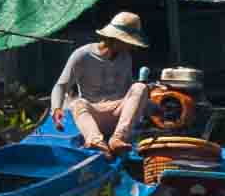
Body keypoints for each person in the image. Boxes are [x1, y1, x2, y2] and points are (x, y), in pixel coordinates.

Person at [49, 11, 155, 146]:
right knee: (77, 103)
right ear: (116, 39)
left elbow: (131, 93)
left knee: (140, 86)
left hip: (119, 118)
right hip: (94, 116)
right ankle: (96, 141)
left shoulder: (125, 58)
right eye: (129, 42)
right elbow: (61, 86)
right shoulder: (82, 55)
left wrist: (152, 105)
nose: (131, 46)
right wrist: (56, 108)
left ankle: (118, 139)